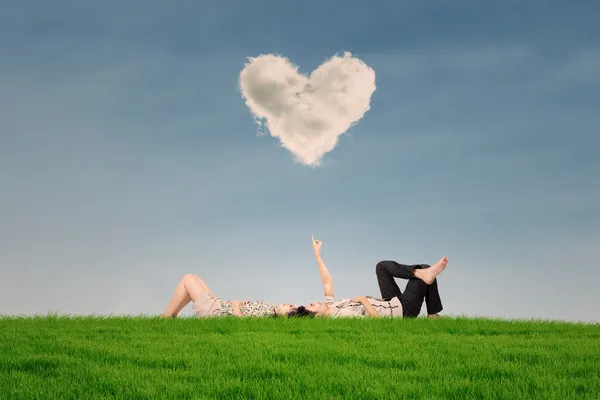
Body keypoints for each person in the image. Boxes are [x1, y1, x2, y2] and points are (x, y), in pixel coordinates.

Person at [289, 236, 447, 318]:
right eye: (312, 305)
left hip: (389, 302)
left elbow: (327, 281)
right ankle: (432, 314)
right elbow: (376, 322)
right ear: (316, 316)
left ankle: (421, 274)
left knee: (382, 267)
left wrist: (317, 254)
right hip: (402, 311)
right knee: (426, 268)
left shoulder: (331, 306)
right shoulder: (342, 316)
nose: (316, 302)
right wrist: (363, 300)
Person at [161, 274, 297, 318]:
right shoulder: (270, 309)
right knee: (197, 279)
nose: (290, 304)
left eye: (291, 308)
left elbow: (238, 317)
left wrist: (237, 303)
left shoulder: (266, 315)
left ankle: (166, 317)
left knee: (188, 278)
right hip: (219, 304)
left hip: (214, 310)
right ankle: (172, 316)